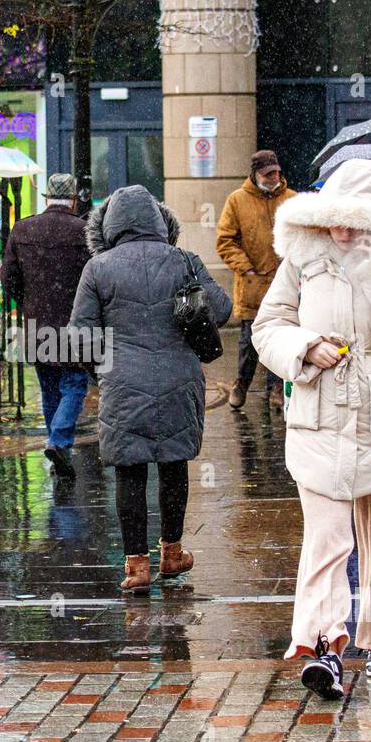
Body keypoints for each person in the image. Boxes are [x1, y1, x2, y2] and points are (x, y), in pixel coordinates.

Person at [251, 158, 371, 697]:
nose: (341, 228)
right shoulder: (301, 256)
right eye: (335, 216)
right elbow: (268, 326)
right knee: (327, 539)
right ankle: (322, 645)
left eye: (354, 219)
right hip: (319, 417)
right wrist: (303, 347)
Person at [69, 185, 232, 592]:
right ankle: (172, 554)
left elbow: (80, 336)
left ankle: (137, 567)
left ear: (109, 226)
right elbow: (223, 309)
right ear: (160, 221)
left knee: (130, 471)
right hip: (179, 378)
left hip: (123, 381)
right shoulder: (184, 261)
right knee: (174, 465)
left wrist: (103, 369)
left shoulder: (99, 268)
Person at [2, 173, 91, 479]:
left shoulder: (23, 228)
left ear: (46, 200)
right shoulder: (84, 231)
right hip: (76, 323)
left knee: (49, 386)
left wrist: (27, 303)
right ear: (74, 199)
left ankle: (59, 449)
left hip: (36, 324)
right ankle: (59, 441)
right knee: (75, 384)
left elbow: (9, 280)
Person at [216, 149, 296, 412]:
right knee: (250, 342)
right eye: (267, 173)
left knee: (282, 338)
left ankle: (275, 388)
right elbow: (225, 240)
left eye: (276, 172)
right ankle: (242, 383)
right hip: (253, 286)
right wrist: (246, 268)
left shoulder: (292, 199)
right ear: (255, 174)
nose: (274, 177)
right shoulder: (237, 200)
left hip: (285, 283)